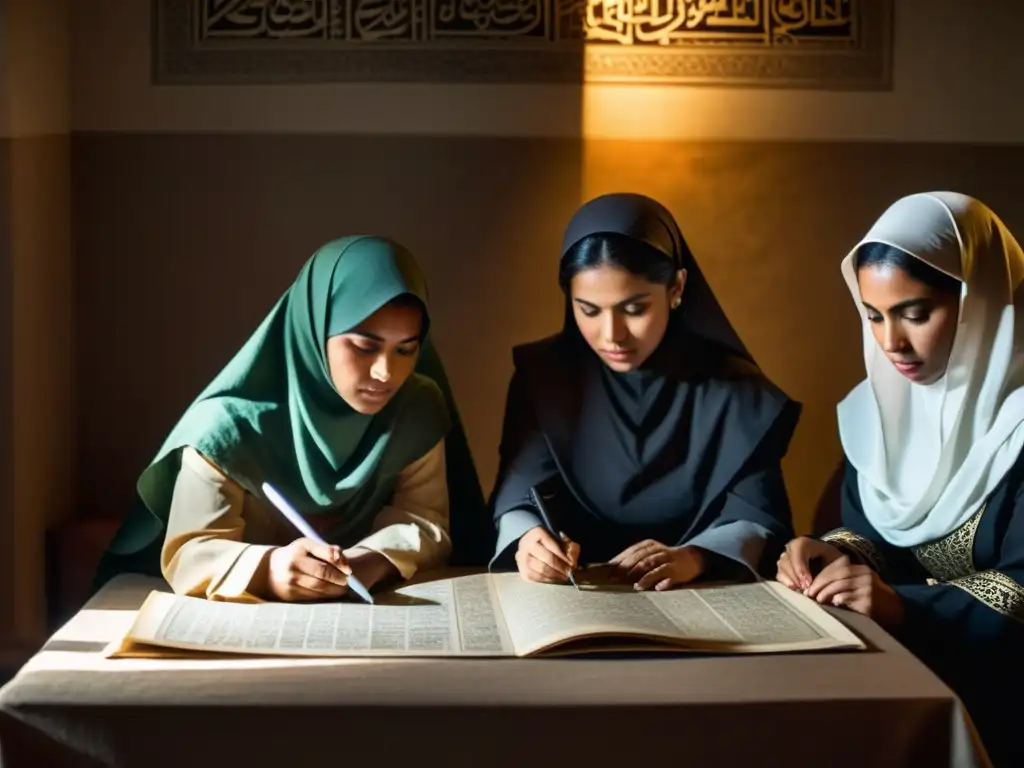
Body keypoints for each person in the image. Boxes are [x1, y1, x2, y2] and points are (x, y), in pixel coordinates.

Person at [92, 236, 486, 602]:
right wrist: (271, 569)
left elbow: (425, 519)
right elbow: (191, 550)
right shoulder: (226, 427)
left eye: (406, 349)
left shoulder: (415, 408)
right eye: (365, 346)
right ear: (312, 331)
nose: (386, 373)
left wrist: (372, 561)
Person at [776, 192, 1024, 767]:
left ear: (978, 301)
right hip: (905, 677)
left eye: (915, 314)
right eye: (873, 315)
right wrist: (829, 554)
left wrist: (905, 609)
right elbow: (876, 538)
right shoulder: (878, 412)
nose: (891, 344)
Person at [489, 193, 801, 590]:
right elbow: (518, 494)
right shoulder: (542, 378)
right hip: (575, 596)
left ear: (677, 288)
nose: (612, 335)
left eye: (634, 309)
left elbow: (757, 514)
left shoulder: (739, 393)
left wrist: (695, 556)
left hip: (697, 593)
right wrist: (529, 541)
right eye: (588, 310)